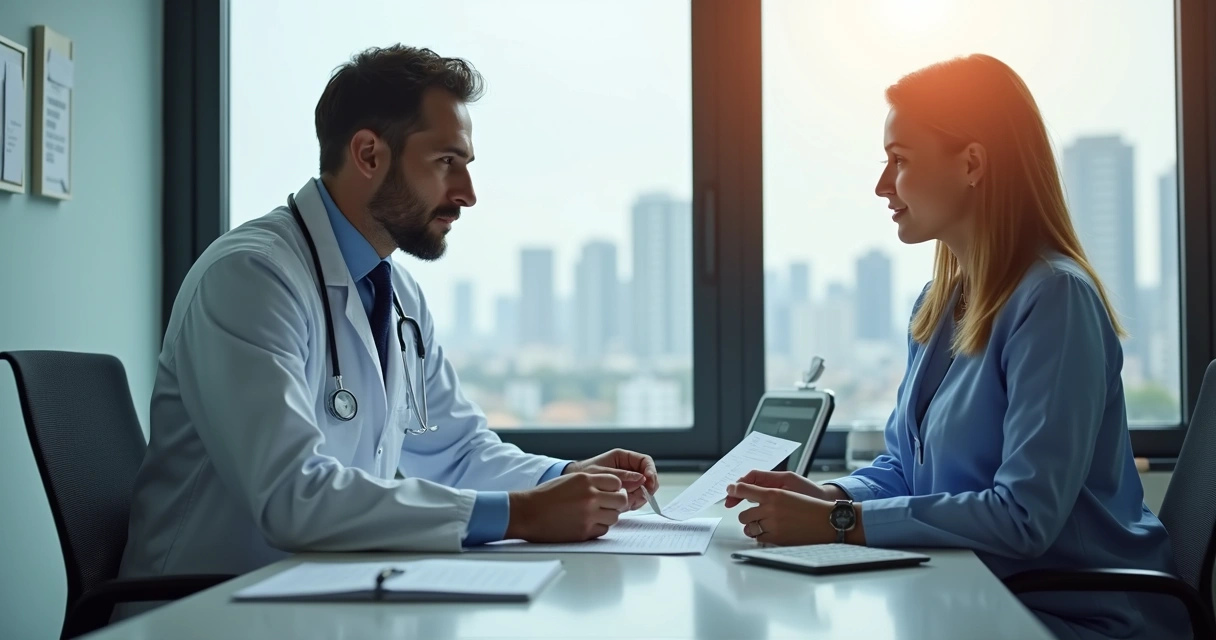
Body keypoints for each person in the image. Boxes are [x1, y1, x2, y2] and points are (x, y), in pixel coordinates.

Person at [116, 45, 659, 589]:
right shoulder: (251, 277)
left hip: (322, 593)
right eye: (447, 162)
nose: (467, 195)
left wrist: (564, 477)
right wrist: (525, 514)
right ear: (369, 154)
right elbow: (291, 495)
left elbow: (455, 449)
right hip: (206, 608)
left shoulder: (397, 293)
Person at [724, 54, 1191, 640]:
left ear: (971, 162)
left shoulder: (1056, 300)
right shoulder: (938, 303)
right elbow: (904, 466)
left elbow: (1023, 517)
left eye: (900, 161)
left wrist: (839, 522)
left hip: (1077, 615)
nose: (881, 185)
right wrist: (825, 494)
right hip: (977, 596)